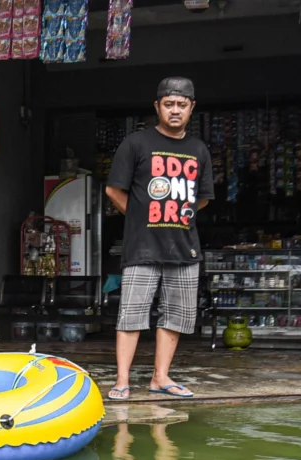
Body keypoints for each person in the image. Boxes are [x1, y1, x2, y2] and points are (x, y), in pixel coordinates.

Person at [104, 76, 214, 401]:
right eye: (169, 104)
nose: (175, 110)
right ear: (157, 107)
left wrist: (176, 217)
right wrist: (139, 217)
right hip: (142, 246)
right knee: (132, 314)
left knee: (177, 315)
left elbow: (203, 197)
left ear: (192, 108)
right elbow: (113, 189)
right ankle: (122, 380)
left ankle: (160, 378)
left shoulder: (198, 150)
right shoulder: (136, 144)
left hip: (184, 246)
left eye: (182, 104)